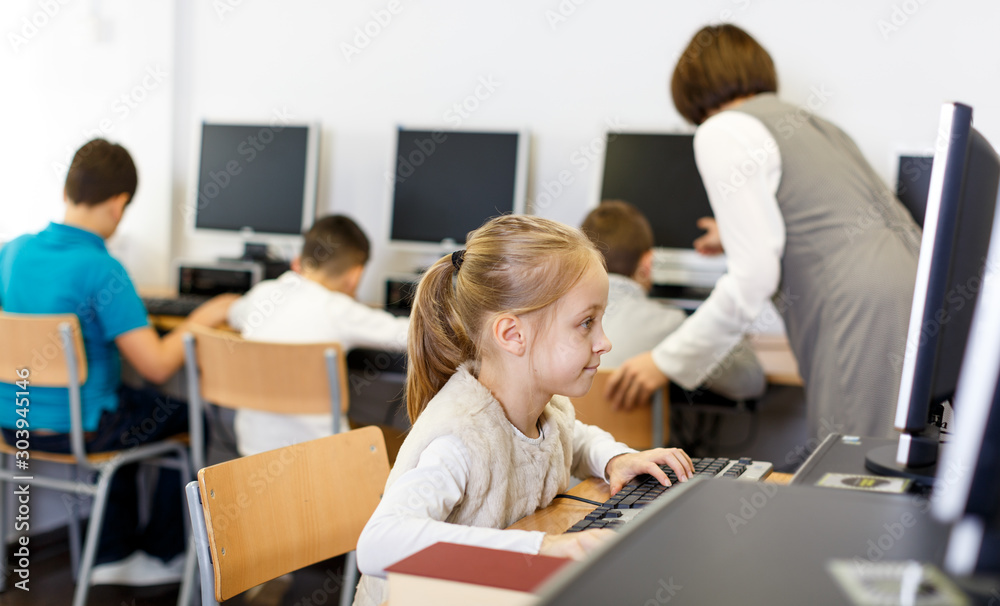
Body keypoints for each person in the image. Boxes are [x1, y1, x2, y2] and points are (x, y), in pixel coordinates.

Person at [351, 215, 695, 606]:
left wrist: (615, 458)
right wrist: (542, 548)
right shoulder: (460, 438)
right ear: (513, 335)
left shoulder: (545, 409)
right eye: (586, 323)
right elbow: (379, 543)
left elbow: (574, 436)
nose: (605, 342)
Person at [607, 24, 921, 441]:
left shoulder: (723, 129)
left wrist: (665, 361)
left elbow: (754, 277)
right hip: (914, 294)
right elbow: (828, 220)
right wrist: (736, 233)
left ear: (693, 95)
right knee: (894, 462)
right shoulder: (817, 124)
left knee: (852, 474)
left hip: (860, 312)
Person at [0, 139, 236, 584]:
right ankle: (161, 555)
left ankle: (112, 548)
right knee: (189, 418)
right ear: (119, 204)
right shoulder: (101, 268)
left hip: (13, 424)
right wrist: (200, 318)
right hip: (83, 428)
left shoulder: (12, 252)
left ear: (67, 191)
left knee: (130, 404)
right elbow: (158, 366)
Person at [227, 214, 410, 456]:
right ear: (355, 275)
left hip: (251, 454)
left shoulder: (263, 294)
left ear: (300, 260)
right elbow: (406, 334)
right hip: (323, 460)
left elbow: (233, 314)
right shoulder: (337, 309)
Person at [581, 200, 765, 401]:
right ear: (648, 263)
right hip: (626, 434)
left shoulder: (559, 321)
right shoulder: (668, 324)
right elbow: (750, 381)